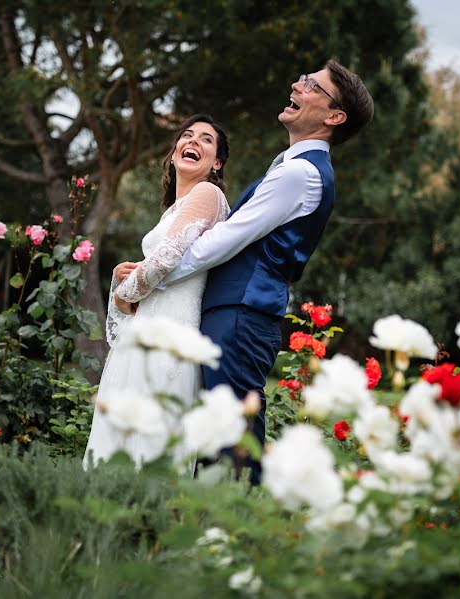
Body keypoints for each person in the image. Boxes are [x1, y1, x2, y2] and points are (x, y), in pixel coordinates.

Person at [122, 60, 374, 484]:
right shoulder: (292, 165)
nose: (297, 83)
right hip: (233, 309)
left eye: (312, 85)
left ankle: (236, 531)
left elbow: (224, 240)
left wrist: (146, 280)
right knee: (216, 425)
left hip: (242, 312)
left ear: (334, 116)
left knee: (231, 428)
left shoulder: (301, 172)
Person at [83, 114, 230, 470]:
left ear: (217, 163)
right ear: (175, 149)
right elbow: (162, 267)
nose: (193, 142)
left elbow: (164, 261)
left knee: (154, 444)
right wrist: (127, 276)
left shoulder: (207, 193)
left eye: (206, 140)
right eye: (187, 135)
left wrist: (122, 294)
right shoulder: (173, 211)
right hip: (148, 329)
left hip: (173, 333)